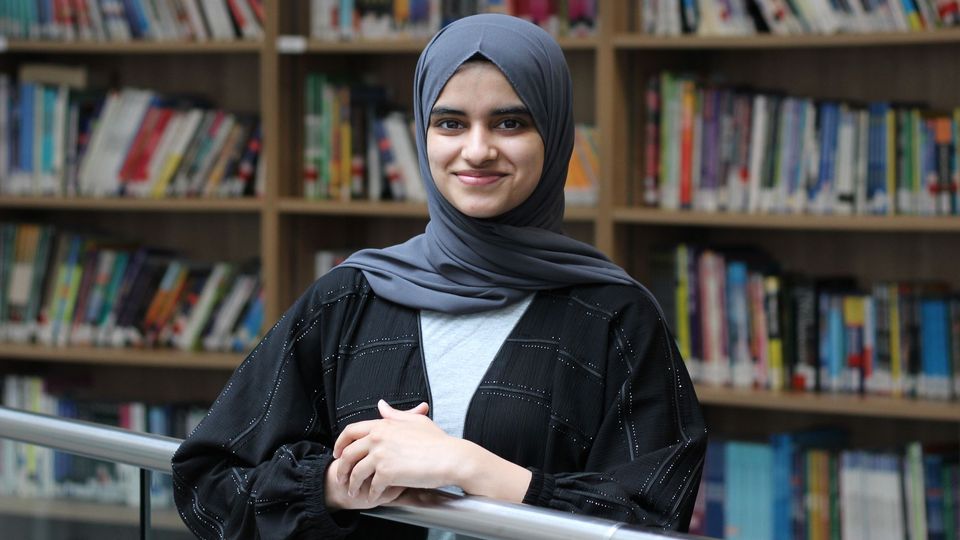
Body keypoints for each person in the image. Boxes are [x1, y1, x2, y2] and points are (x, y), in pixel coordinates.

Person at [171, 13, 706, 540]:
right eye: (450, 123)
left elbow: (650, 522)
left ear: (555, 133)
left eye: (510, 123)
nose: (477, 149)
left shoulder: (616, 318)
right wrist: (335, 485)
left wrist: (472, 468)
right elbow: (208, 481)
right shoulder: (349, 297)